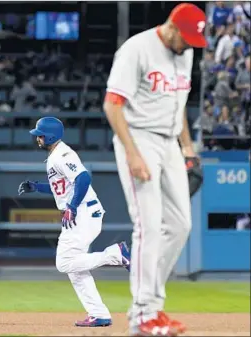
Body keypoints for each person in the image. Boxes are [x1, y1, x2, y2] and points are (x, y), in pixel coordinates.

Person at [104, 3, 207, 336]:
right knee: (147, 225)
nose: (190, 44)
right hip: (138, 138)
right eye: (187, 37)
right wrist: (132, 154)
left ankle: (150, 305)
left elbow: (177, 108)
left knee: (180, 224)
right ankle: (143, 314)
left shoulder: (185, 53)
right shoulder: (137, 49)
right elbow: (112, 104)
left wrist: (187, 147)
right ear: (172, 27)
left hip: (169, 141)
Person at [18, 116, 130, 327]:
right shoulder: (55, 156)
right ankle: (99, 314)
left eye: (40, 135)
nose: (37, 139)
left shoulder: (63, 154)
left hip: (83, 214)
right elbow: (62, 186)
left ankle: (115, 254)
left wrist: (72, 206)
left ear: (49, 136)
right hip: (84, 214)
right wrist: (36, 187)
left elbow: (83, 177)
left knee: (64, 263)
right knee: (75, 271)